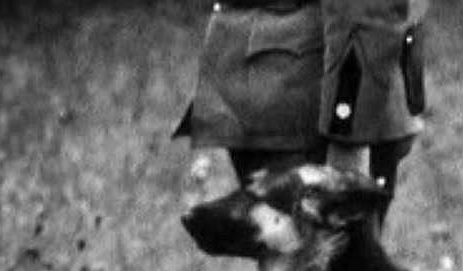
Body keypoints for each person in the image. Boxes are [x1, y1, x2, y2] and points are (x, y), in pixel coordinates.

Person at [174, 0, 428, 219]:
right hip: (299, 88)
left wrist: (350, 134)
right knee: (319, 265)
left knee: (324, 265)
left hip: (305, 90)